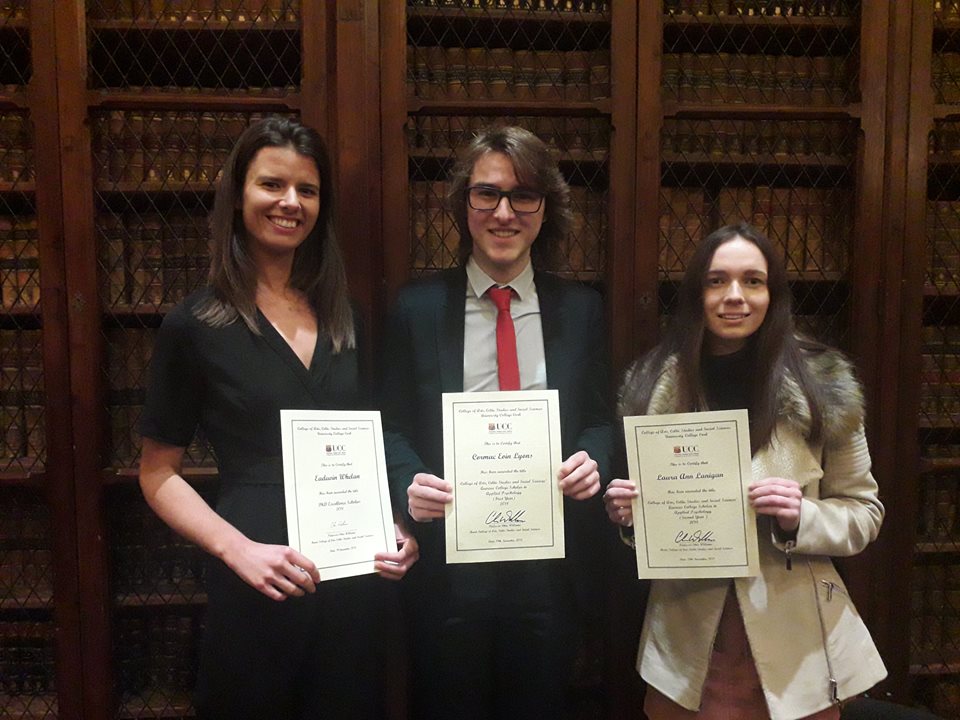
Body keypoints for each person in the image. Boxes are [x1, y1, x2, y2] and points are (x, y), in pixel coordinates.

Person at [138, 116, 418, 720]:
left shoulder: (345, 319)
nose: (290, 202)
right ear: (238, 195)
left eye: (307, 190)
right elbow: (157, 473)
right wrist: (237, 550)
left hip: (353, 582)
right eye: (272, 184)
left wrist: (396, 525)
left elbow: (371, 444)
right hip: (256, 577)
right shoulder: (195, 324)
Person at [603, 222, 886, 720]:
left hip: (797, 639)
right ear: (697, 294)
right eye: (717, 281)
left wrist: (801, 518)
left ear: (772, 294)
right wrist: (630, 517)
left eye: (752, 281)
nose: (735, 296)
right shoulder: (652, 386)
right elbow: (651, 516)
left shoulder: (825, 386)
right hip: (687, 638)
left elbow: (864, 512)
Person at [379, 124, 613, 719]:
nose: (504, 213)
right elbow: (391, 426)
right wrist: (408, 483)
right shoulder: (415, 309)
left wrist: (594, 460)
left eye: (523, 196)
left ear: (544, 208)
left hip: (549, 573)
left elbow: (602, 419)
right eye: (487, 194)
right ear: (464, 204)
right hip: (448, 571)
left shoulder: (582, 311)